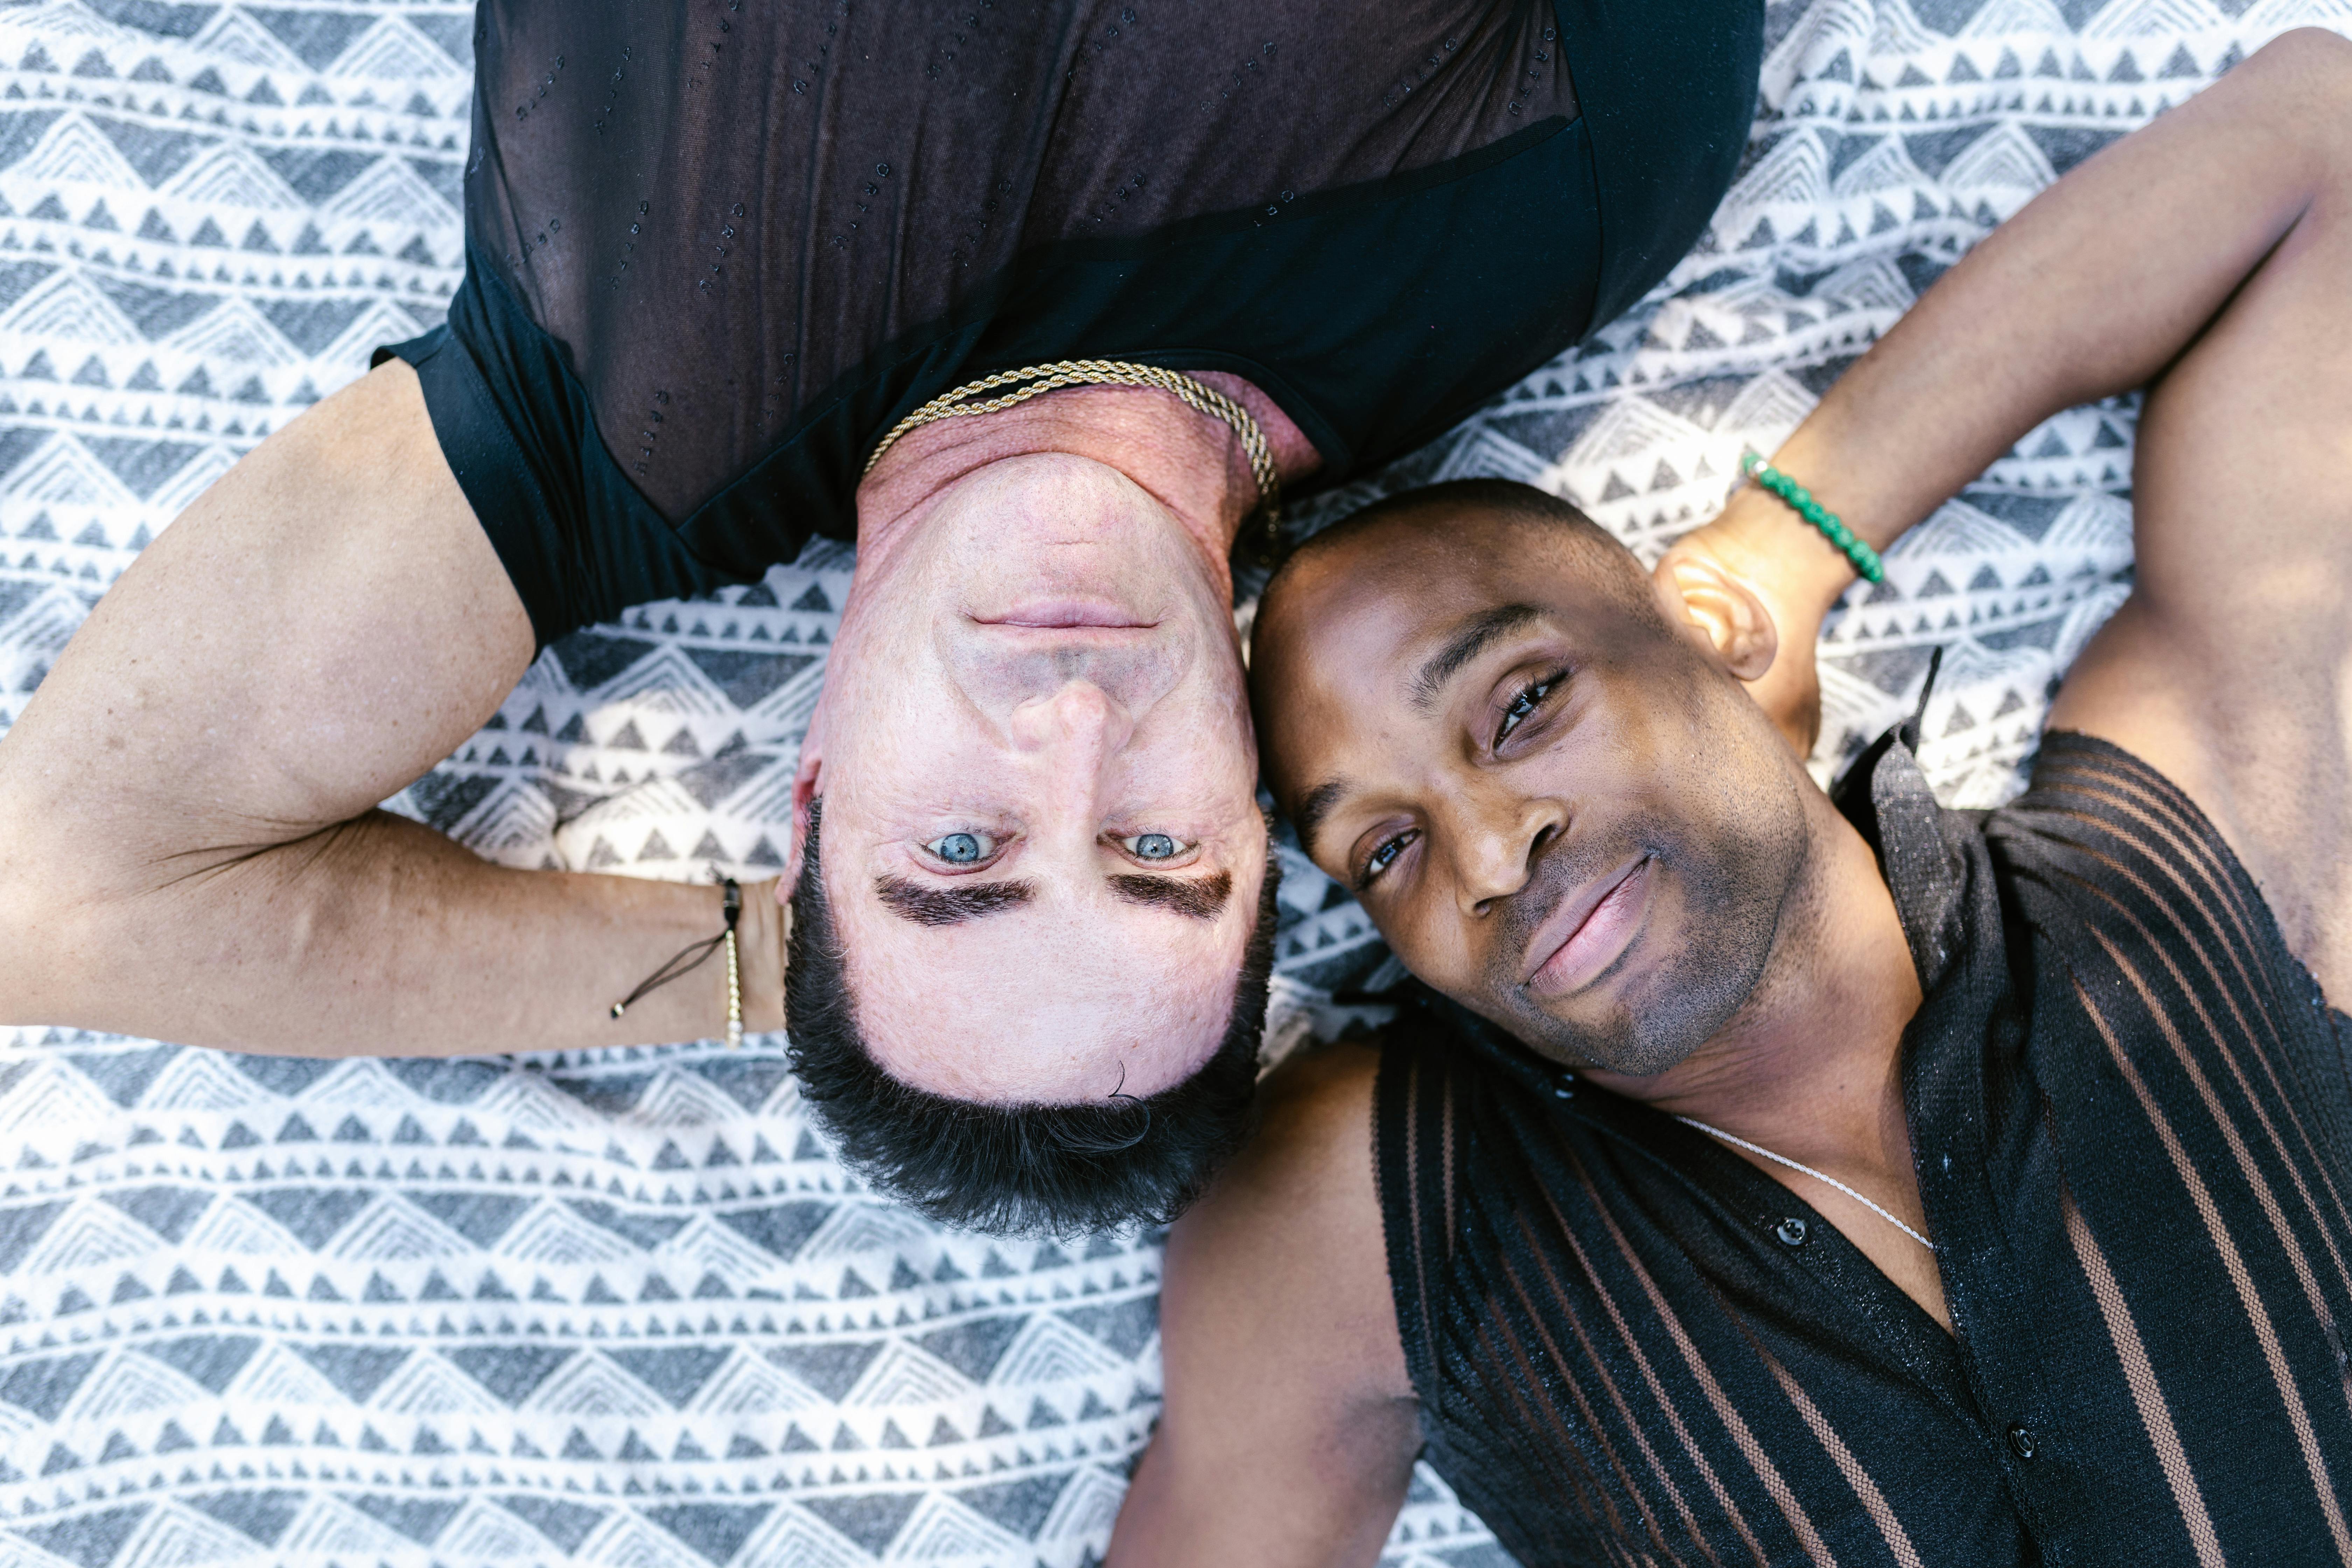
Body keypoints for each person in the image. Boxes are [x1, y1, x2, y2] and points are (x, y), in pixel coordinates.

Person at [0, 1, 1762, 1231]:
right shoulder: (1577, 193)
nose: (1070, 722)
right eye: (1157, 846)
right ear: (1255, 801)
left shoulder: (601, 442)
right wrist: (888, 941)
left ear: (816, 793)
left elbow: (59, 892)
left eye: (960, 851)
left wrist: (788, 970)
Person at [1115, 27, 2352, 1563]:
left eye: (1522, 702)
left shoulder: (2183, 873)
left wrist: (1783, 550)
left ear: (1699, 645)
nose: (1492, 851)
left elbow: (2321, 146)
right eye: (1384, 847)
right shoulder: (1367, 1217)